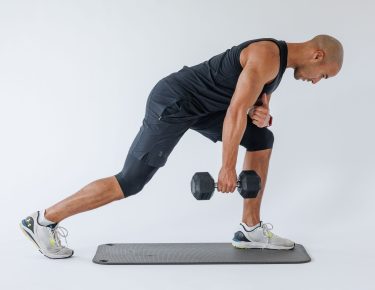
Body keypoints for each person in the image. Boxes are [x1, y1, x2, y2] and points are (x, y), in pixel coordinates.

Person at [20, 35, 343, 259]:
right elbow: (234, 112)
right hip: (174, 102)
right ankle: (43, 220)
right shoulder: (265, 55)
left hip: (201, 106)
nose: (316, 81)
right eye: (323, 76)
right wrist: (227, 167)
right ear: (318, 56)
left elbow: (251, 106)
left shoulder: (278, 63)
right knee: (131, 180)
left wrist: (262, 114)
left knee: (261, 139)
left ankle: (250, 230)